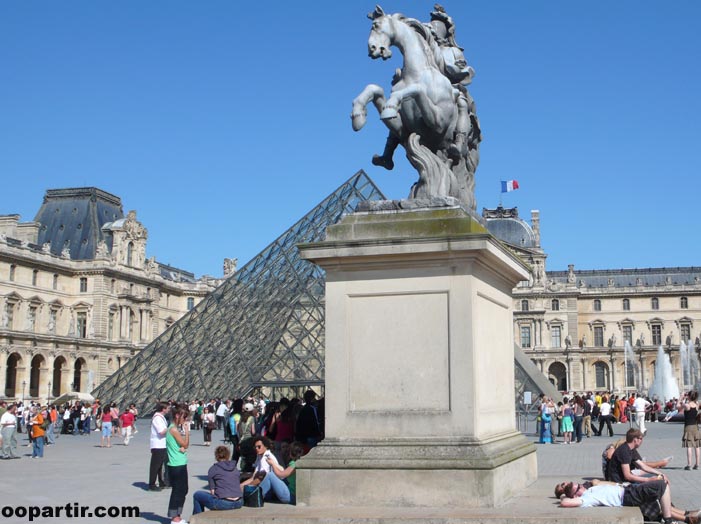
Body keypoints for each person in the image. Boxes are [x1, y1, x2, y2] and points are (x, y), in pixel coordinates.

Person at [556, 479, 700, 524]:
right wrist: (562, 496)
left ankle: (688, 517)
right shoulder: (585, 499)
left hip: (628, 490)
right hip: (627, 496)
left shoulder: (587, 490)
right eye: (578, 488)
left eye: (579, 485)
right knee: (661, 485)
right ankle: (669, 521)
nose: (581, 486)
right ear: (574, 495)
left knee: (659, 503)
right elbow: (565, 503)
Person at [192, 445, 243, 514]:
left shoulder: (213, 469)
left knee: (197, 495)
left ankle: (197, 518)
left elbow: (213, 492)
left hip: (225, 503)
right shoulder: (234, 468)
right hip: (239, 502)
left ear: (216, 456)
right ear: (228, 455)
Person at [241, 436, 290, 503]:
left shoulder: (267, 457)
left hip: (273, 489)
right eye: (255, 447)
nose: (257, 449)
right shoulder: (259, 456)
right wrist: (242, 486)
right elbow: (254, 476)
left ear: (266, 446)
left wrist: (246, 487)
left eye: (259, 446)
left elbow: (261, 478)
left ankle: (254, 498)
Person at [166, 405, 190, 524]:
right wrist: (186, 432)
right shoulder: (174, 429)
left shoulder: (173, 428)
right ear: (177, 415)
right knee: (178, 490)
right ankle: (174, 518)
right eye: (184, 417)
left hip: (179, 462)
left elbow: (182, 445)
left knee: (183, 489)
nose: (185, 419)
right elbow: (185, 445)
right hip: (176, 464)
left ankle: (177, 515)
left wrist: (182, 446)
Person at [149, 402, 170, 491]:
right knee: (155, 466)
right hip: (158, 445)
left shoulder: (160, 417)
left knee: (160, 465)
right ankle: (152, 484)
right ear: (163, 409)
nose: (169, 409)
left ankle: (161, 482)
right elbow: (161, 431)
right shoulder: (157, 418)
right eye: (168, 408)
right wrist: (171, 429)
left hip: (161, 444)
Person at [679, 391, 700, 470]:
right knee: (697, 446)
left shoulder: (687, 405)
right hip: (695, 426)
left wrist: (681, 397)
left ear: (689, 397)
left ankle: (689, 465)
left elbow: (677, 407)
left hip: (688, 427)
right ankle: (697, 464)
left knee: (689, 446)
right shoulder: (697, 405)